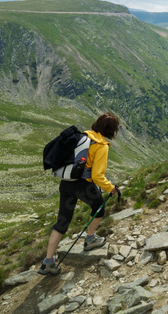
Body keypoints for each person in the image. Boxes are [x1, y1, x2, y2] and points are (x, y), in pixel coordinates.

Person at [39, 113, 121, 275]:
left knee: (62, 222)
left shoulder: (83, 136)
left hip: (66, 183)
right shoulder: (101, 145)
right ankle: (90, 240)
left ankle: (48, 262)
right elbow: (97, 176)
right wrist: (110, 187)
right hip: (83, 185)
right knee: (99, 207)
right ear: (111, 130)